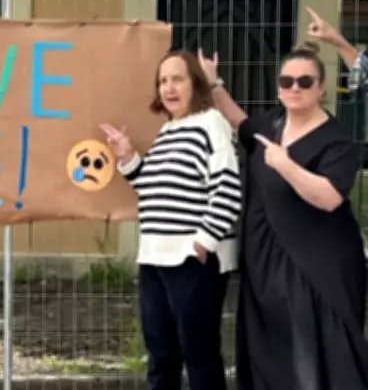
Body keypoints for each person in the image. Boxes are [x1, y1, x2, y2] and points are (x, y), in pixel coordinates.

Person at [197, 42, 368, 390]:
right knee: (269, 348)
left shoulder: (336, 141)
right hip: (264, 260)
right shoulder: (271, 124)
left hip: (315, 265)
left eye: (305, 82)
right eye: (287, 81)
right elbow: (241, 124)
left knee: (312, 351)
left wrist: (286, 165)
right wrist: (214, 84)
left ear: (321, 88)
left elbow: (329, 197)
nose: (295, 88)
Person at [99, 50, 242, 390]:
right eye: (162, 81)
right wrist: (128, 157)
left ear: (195, 83)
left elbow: (228, 186)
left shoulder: (211, 123)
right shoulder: (167, 130)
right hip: (155, 257)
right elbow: (151, 188)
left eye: (177, 79)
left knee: (199, 355)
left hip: (191, 259)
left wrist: (205, 240)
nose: (168, 88)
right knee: (161, 356)